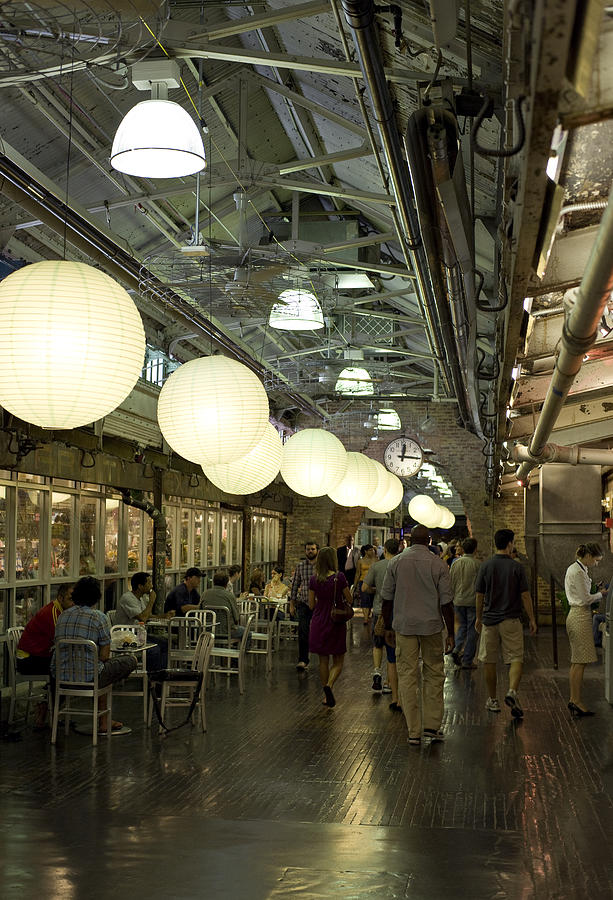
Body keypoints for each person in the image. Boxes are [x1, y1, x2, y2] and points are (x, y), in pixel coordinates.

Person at [381, 525, 454, 745]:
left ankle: (413, 730)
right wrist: (450, 632)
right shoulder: (438, 564)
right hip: (431, 627)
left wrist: (387, 627)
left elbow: (387, 599)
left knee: (407, 675)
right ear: (429, 541)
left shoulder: (396, 563)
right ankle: (432, 725)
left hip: (404, 626)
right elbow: (447, 603)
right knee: (434, 674)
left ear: (410, 540)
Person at [52, 576, 137, 734]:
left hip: (61, 676)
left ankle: (104, 720)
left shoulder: (62, 616)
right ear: (97, 596)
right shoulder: (99, 617)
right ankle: (104, 721)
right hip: (90, 677)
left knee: (100, 669)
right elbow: (105, 655)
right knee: (127, 661)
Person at [475, 528, 537, 718]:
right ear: (510, 543)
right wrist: (532, 619)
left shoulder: (485, 566)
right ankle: (511, 691)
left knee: (489, 660)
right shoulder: (516, 567)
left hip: (490, 620)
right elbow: (525, 595)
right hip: (511, 620)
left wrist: (478, 617)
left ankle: (493, 700)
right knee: (516, 657)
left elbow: (479, 595)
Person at [16, 583, 74, 728]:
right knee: (64, 670)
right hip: (27, 660)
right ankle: (49, 710)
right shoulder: (52, 613)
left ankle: (47, 707)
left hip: (40, 655)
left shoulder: (62, 611)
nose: (74, 603)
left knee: (66, 668)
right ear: (60, 598)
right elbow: (62, 641)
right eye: (70, 599)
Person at [308, 546, 352, 708]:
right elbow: (350, 598)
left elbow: (311, 604)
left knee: (322, 660)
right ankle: (329, 686)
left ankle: (326, 695)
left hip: (319, 620)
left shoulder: (314, 579)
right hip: (335, 621)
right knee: (338, 660)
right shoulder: (339, 578)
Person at [564, 543, 604, 716]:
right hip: (579, 616)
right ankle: (576, 701)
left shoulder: (577, 569)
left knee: (577, 661)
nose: (596, 564)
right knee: (580, 662)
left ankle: (574, 699)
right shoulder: (578, 572)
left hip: (578, 615)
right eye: (596, 560)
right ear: (588, 556)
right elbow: (585, 598)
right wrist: (602, 593)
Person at [363, 538, 400, 709]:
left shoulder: (376, 566)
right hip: (396, 612)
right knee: (393, 649)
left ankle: (377, 670)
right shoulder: (401, 566)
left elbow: (364, 588)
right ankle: (388, 682)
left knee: (378, 644)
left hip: (379, 610)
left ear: (384, 550)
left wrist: (375, 590)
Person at [116, 571, 168, 670]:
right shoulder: (127, 598)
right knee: (154, 649)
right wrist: (152, 600)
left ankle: (160, 674)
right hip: (127, 637)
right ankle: (151, 677)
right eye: (148, 582)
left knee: (165, 643)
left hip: (138, 635)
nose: (151, 585)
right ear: (140, 586)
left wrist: (164, 616)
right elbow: (143, 618)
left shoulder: (140, 598)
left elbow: (147, 615)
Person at [449, 538, 481, 668]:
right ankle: (467, 660)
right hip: (473, 601)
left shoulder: (455, 563)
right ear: (475, 549)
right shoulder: (478, 564)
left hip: (458, 600)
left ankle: (457, 649)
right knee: (473, 630)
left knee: (461, 626)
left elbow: (451, 581)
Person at [289, 540, 319, 670]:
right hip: (304, 603)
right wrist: (292, 603)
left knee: (320, 631)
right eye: (308, 549)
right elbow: (295, 585)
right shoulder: (301, 566)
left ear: (317, 550)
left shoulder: (321, 566)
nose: (310, 551)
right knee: (303, 631)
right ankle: (303, 660)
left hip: (319, 603)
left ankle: (322, 658)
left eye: (312, 549)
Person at [200, 570, 245, 642]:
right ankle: (241, 652)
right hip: (227, 631)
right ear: (226, 583)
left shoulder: (205, 594)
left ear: (214, 582)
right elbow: (236, 618)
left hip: (208, 630)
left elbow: (200, 612)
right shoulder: (229, 596)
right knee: (247, 633)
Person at [354, 544, 377, 624]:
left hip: (373, 582)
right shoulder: (360, 561)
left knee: (371, 600)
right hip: (363, 581)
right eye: (370, 550)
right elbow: (357, 573)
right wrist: (355, 585)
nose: (372, 551)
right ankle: (366, 618)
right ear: (365, 551)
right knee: (364, 599)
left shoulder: (376, 560)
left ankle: (369, 615)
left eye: (373, 550)